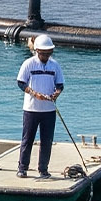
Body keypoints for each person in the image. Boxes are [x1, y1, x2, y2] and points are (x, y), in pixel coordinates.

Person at [15, 35, 64, 179]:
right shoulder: (28, 64)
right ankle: (22, 168)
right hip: (31, 109)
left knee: (47, 141)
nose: (46, 56)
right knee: (27, 139)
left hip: (49, 110)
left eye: (49, 53)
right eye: (43, 53)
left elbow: (60, 84)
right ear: (37, 50)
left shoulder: (55, 65)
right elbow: (21, 83)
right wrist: (34, 93)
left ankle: (43, 169)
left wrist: (57, 93)